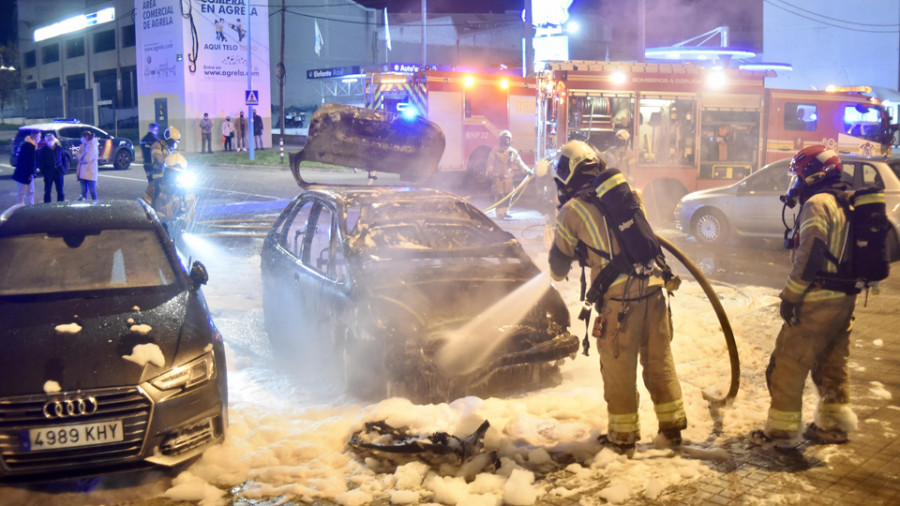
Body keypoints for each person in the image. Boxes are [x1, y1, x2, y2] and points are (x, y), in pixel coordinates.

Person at [548, 139, 687, 454]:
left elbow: (558, 267)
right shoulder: (629, 195)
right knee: (659, 360)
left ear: (566, 175)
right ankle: (672, 428)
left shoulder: (571, 210)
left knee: (618, 365)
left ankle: (622, 437)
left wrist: (563, 249)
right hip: (654, 290)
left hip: (620, 301)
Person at [749, 145, 859, 447]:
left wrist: (791, 296)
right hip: (844, 299)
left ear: (814, 175)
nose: (795, 182)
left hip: (818, 300)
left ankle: (781, 433)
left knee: (787, 363)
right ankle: (833, 427)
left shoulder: (817, 204)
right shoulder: (846, 202)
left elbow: (810, 253)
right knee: (831, 365)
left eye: (798, 175)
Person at [485, 130, 532, 218]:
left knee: (508, 195)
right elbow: (490, 162)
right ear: (500, 140)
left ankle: (505, 211)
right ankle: (499, 214)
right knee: (500, 196)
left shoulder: (512, 152)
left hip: (508, 178)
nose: (505, 141)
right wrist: (489, 171)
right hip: (498, 178)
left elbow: (520, 163)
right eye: (504, 139)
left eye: (507, 139)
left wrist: (528, 171)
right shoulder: (495, 150)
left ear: (510, 140)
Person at [12, 130, 40, 206]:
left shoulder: (32, 145)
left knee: (30, 191)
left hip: (28, 173)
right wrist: (31, 172)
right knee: (22, 192)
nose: (40, 137)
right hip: (24, 173)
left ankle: (30, 206)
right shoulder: (28, 146)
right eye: (39, 135)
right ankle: (21, 207)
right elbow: (28, 161)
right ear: (35, 136)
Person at [38, 132, 67, 202]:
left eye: (52, 139)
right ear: (46, 141)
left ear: (54, 139)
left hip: (58, 172)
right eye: (49, 139)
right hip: (48, 173)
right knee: (47, 191)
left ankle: (61, 205)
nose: (50, 140)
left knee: (60, 191)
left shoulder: (59, 149)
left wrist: (63, 169)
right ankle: (47, 206)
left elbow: (64, 160)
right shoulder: (43, 150)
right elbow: (40, 162)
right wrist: (44, 171)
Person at [76, 130, 99, 201]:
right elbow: (77, 155)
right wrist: (81, 156)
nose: (85, 137)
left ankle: (96, 205)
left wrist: (81, 157)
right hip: (82, 171)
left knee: (92, 190)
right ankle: (83, 205)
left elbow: (88, 158)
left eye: (86, 136)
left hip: (90, 171)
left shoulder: (93, 146)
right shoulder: (83, 145)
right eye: (84, 136)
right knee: (83, 191)